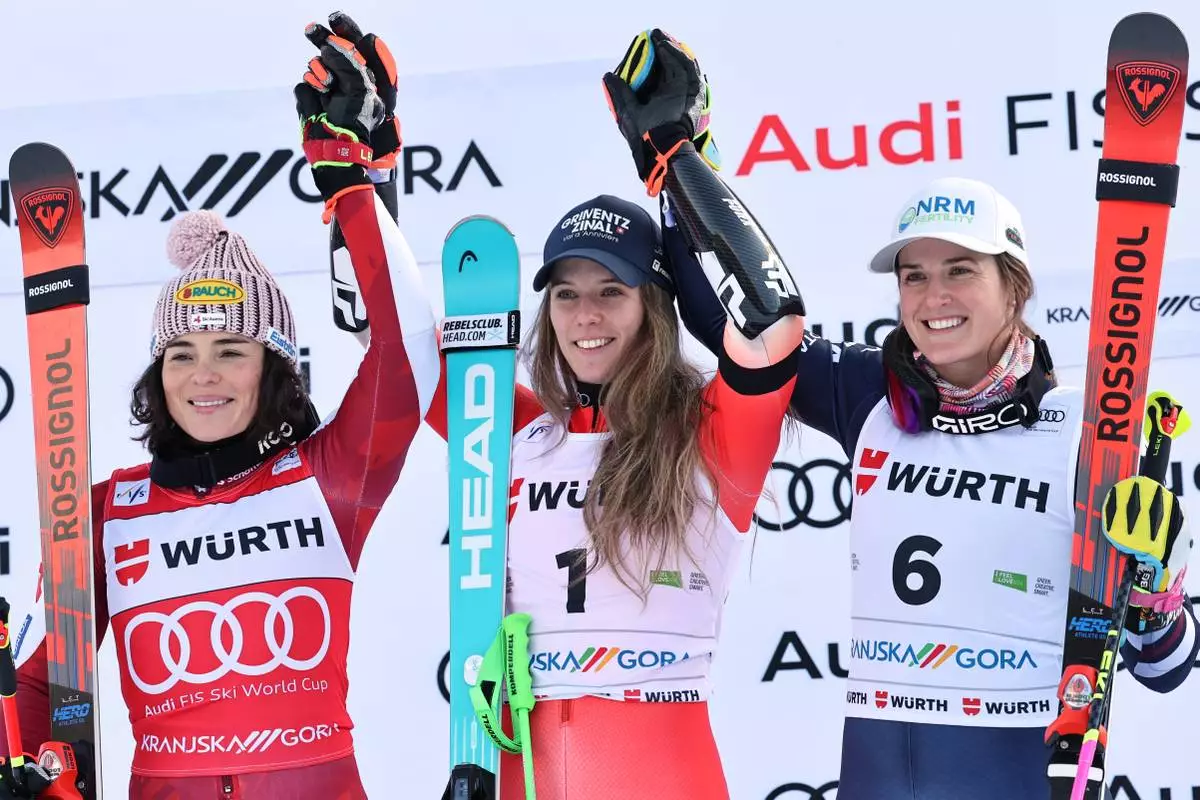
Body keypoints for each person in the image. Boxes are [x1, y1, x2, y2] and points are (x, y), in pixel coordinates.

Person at [0, 13, 438, 799]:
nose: (203, 375)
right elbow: (39, 684)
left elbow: (406, 357)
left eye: (231, 349)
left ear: (274, 371)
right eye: (182, 353)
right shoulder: (104, 513)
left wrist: (354, 188)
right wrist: (39, 776)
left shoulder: (331, 478)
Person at [671, 174, 1199, 798]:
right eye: (913, 277)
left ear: (1015, 286)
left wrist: (1159, 581)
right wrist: (681, 166)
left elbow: (1164, 668)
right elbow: (736, 319)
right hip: (875, 779)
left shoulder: (1086, 434)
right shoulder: (871, 394)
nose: (933, 296)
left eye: (960, 270)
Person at [425, 31, 806, 800]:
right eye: (566, 294)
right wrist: (354, 186)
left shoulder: (711, 434)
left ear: (655, 308)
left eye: (611, 291)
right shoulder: (512, 432)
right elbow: (405, 350)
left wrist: (679, 160)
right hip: (521, 771)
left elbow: (771, 321)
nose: (585, 315)